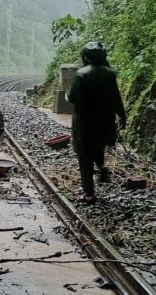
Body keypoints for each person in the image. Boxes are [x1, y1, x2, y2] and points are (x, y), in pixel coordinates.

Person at [67, 42, 126, 205]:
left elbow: (72, 98)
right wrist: (122, 115)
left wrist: (67, 94)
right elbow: (116, 98)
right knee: (98, 148)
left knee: (84, 157)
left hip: (84, 124)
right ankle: (102, 167)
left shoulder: (81, 74)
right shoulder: (110, 74)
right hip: (104, 123)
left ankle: (89, 194)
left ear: (85, 56)